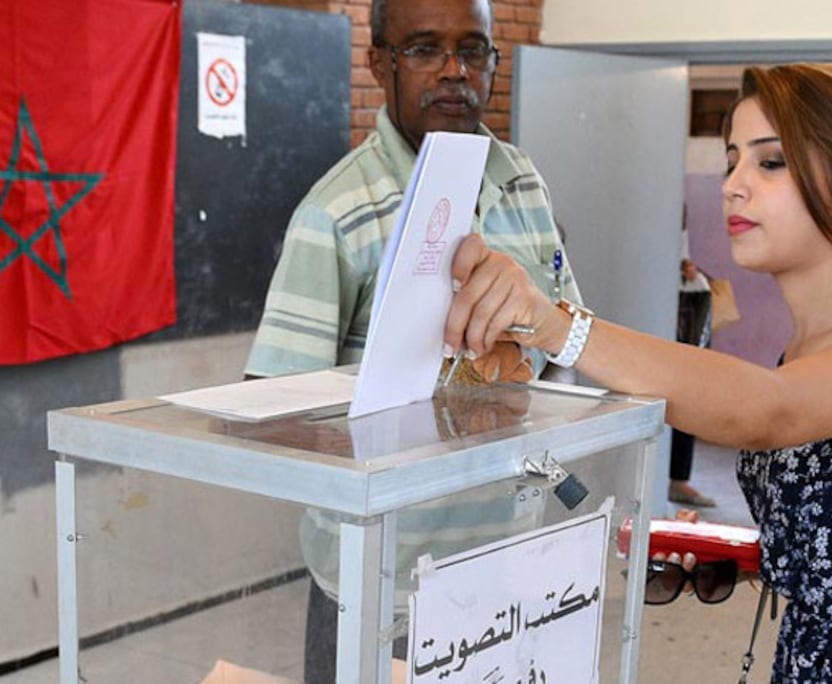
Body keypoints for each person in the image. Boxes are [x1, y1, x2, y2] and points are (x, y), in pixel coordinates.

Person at [444, 63, 832, 682]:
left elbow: (770, 412)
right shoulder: (804, 349)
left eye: (769, 163)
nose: (732, 185)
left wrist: (557, 325)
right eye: (731, 161)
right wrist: (736, 556)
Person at [243, 0, 580, 680]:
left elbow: (569, 338)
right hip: (384, 585)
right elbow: (271, 416)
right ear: (379, 64)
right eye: (425, 50)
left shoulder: (522, 180)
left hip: (510, 565)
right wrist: (410, 420)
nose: (455, 72)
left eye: (473, 50)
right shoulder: (335, 212)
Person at [669, 258, 715, 507]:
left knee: (688, 387)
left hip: (685, 294)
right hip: (676, 297)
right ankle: (676, 478)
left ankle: (678, 477)